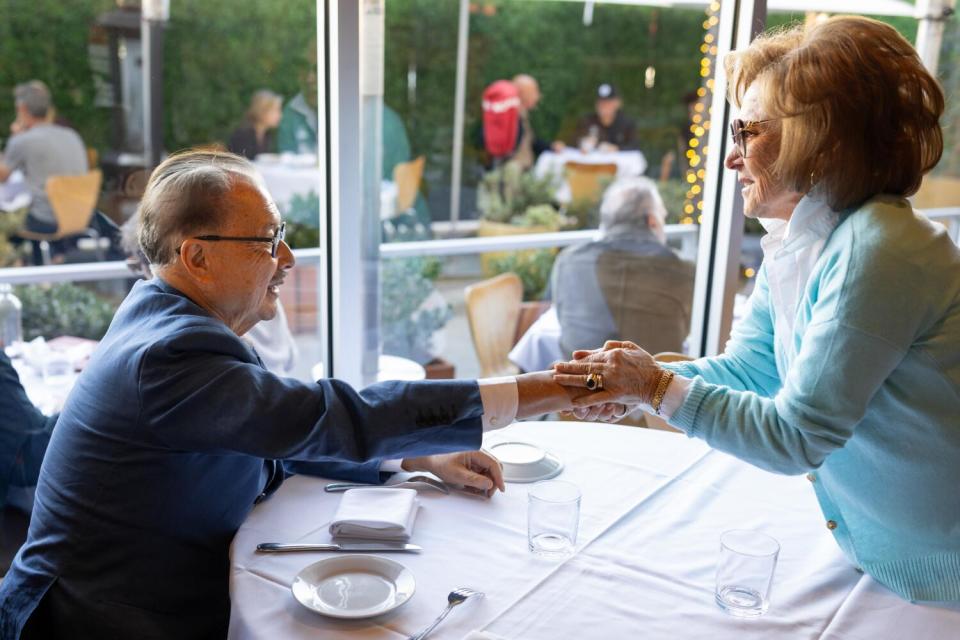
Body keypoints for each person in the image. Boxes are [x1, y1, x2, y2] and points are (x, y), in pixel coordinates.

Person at [0, 149, 583, 638]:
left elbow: (269, 430)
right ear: (197, 257)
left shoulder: (167, 319)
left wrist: (416, 454)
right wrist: (553, 388)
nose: (287, 258)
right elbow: (325, 415)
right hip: (96, 621)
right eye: (267, 239)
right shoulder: (170, 357)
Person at [554, 16, 960, 603]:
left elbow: (794, 437)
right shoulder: (804, 239)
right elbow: (752, 371)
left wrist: (655, 387)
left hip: (940, 575)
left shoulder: (879, 249)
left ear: (821, 139)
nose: (731, 157)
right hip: (878, 556)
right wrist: (634, 387)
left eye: (747, 131)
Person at [551, 177, 692, 356]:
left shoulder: (569, 261)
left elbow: (563, 320)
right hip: (655, 381)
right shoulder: (682, 270)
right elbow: (689, 331)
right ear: (652, 221)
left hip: (582, 379)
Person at [0, 81, 87, 237]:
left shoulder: (22, 140)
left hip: (45, 220)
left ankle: (15, 260)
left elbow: (2, 177)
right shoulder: (72, 135)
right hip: (79, 215)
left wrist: (15, 137)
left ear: (22, 109)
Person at [477, 74, 551, 170]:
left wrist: (550, 147)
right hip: (510, 173)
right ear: (522, 93)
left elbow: (529, 142)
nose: (538, 96)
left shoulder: (520, 115)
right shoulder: (510, 115)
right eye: (534, 92)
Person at [562, 83, 638, 152]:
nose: (604, 106)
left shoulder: (627, 123)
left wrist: (616, 148)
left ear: (617, 103)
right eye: (601, 102)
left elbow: (634, 146)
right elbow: (571, 143)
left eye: (608, 102)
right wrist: (582, 142)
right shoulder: (587, 121)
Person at [227, 90, 282, 160]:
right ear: (261, 111)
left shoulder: (266, 135)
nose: (279, 115)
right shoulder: (243, 136)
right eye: (275, 110)